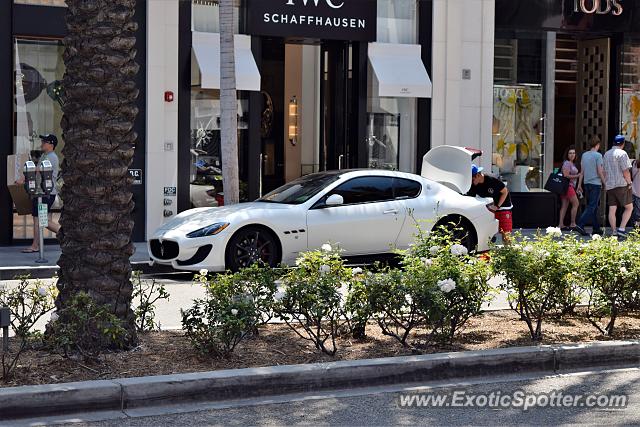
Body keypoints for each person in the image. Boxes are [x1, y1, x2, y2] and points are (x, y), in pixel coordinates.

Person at [19, 134, 61, 253]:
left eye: (44, 142)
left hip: (47, 194)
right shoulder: (44, 155)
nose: (42, 143)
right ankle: (36, 245)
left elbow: (36, 170)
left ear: (51, 144)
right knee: (39, 220)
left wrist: (22, 178)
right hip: (40, 194)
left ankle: (64, 233)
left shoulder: (51, 157)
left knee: (41, 220)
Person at [468, 164, 513, 242]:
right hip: (490, 208)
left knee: (505, 233)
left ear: (478, 175)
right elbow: (470, 198)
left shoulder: (492, 180)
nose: (470, 182)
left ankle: (508, 251)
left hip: (503, 207)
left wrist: (498, 206)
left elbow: (505, 192)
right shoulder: (473, 185)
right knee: (488, 232)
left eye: (472, 179)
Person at [603, 134, 633, 237]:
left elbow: (604, 172)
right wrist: (629, 183)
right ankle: (621, 228)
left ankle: (614, 231)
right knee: (629, 207)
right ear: (623, 143)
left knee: (612, 209)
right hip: (621, 185)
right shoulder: (622, 153)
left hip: (610, 185)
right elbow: (626, 171)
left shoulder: (606, 154)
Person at [576, 136, 606, 236]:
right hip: (595, 184)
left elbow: (582, 171)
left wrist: (579, 185)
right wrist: (605, 182)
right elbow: (600, 171)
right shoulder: (598, 156)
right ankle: (580, 224)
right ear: (597, 145)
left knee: (593, 207)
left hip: (586, 183)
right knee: (592, 206)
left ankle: (596, 228)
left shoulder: (584, 155)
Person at [558, 146, 583, 231]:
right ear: (567, 155)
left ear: (576, 155)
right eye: (570, 153)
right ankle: (573, 223)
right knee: (576, 204)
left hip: (567, 187)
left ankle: (560, 225)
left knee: (564, 206)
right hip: (568, 186)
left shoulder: (572, 163)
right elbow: (566, 175)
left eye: (573, 153)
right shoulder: (567, 163)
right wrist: (577, 175)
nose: (572, 155)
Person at [632, 153, 640, 227]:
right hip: (637, 190)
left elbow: (632, 175)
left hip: (635, 189)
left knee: (636, 211)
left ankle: (636, 227)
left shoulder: (635, 163)